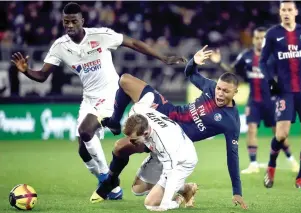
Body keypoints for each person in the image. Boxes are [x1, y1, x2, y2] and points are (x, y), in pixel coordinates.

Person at [10, 2, 186, 199]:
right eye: (66, 22)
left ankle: (107, 178)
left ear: (82, 21)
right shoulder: (60, 46)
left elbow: (134, 43)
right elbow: (42, 75)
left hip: (111, 95)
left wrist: (163, 58)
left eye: (73, 21)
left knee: (85, 130)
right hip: (89, 99)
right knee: (83, 151)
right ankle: (114, 190)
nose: (69, 25)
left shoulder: (101, 35)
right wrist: (26, 71)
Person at [94, 46, 248, 209]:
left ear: (235, 92)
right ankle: (114, 123)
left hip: (171, 136)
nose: (220, 93)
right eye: (219, 88)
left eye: (226, 91)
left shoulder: (231, 122)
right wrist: (193, 62)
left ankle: (181, 188)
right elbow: (190, 74)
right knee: (125, 80)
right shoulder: (210, 87)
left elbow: (233, 157)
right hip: (168, 111)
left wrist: (237, 191)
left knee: (121, 151)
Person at [209, 27, 299, 174]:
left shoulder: (274, 56)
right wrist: (219, 63)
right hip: (254, 102)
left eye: (262, 38)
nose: (259, 41)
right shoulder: (246, 56)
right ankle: (253, 164)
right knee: (251, 130)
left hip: (272, 101)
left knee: (278, 133)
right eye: (257, 38)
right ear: (253, 39)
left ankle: (291, 160)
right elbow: (232, 71)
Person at [92, 92, 198, 211]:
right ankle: (182, 188)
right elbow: (149, 95)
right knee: (137, 189)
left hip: (182, 160)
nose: (130, 142)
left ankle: (181, 196)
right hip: (160, 155)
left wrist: (165, 204)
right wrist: (151, 104)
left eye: (134, 140)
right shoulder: (137, 111)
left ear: (146, 133)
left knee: (151, 204)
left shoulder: (164, 142)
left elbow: (171, 174)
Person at [260, 0, 301, 188]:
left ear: (296, 12)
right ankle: (271, 167)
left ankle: (300, 178)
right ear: (280, 12)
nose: (286, 13)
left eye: (289, 10)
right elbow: (262, 61)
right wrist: (270, 81)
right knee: (282, 134)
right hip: (284, 91)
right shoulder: (272, 34)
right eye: (283, 10)